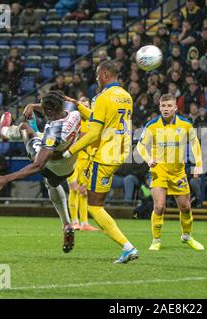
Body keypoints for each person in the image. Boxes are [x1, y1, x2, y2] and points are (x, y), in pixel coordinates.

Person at [62, 61, 139, 264]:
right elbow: (102, 119)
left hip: (103, 156)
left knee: (95, 207)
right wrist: (78, 106)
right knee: (93, 201)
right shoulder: (126, 96)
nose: (96, 78)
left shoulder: (103, 97)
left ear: (104, 74)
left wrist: (70, 150)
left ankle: (128, 247)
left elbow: (95, 131)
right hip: (118, 153)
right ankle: (127, 247)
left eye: (98, 74)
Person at [0, 91, 83, 253]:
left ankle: (5, 133)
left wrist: (7, 178)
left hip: (52, 166)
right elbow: (55, 108)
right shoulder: (74, 114)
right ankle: (67, 224)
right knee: (51, 184)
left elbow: (38, 165)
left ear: (49, 111)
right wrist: (32, 106)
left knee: (25, 128)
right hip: (69, 164)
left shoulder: (53, 132)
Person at [137, 93, 204, 251]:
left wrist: (199, 164)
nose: (166, 109)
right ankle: (156, 240)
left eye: (169, 106)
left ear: (175, 107)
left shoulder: (185, 124)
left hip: (178, 172)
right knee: (159, 206)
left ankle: (187, 236)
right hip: (158, 171)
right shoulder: (152, 125)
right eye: (163, 106)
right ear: (159, 107)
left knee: (185, 207)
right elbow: (140, 147)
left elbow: (195, 144)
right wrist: (148, 159)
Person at [66, 97, 99, 232]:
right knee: (73, 189)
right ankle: (74, 222)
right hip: (73, 161)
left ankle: (84, 223)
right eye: (82, 106)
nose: (84, 108)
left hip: (87, 161)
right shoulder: (74, 122)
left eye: (87, 105)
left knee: (84, 192)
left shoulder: (94, 123)